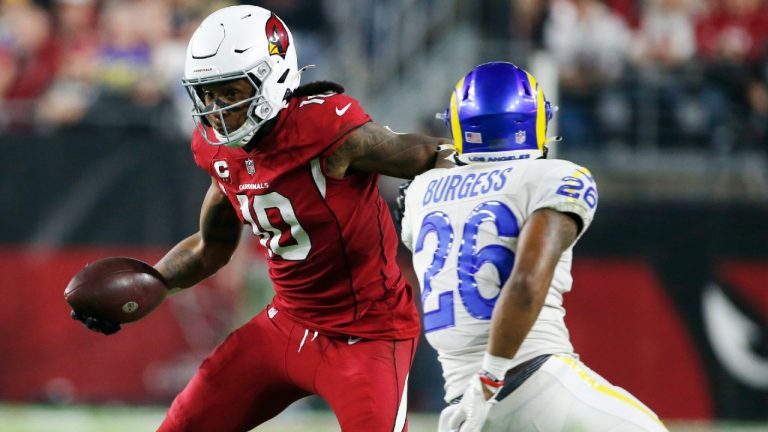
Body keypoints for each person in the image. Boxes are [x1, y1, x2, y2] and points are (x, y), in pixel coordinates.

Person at [69, 5, 453, 431]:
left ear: (273, 78)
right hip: (286, 323)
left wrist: (491, 159)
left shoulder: (323, 127)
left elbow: (423, 154)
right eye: (207, 94)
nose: (217, 110)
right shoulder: (217, 148)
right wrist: (153, 284)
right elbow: (209, 246)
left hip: (367, 335)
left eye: (231, 93)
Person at [399, 62, 668, 432]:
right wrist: (491, 378)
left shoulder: (421, 192)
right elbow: (525, 284)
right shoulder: (554, 176)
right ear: (536, 120)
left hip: (460, 402)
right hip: (530, 379)